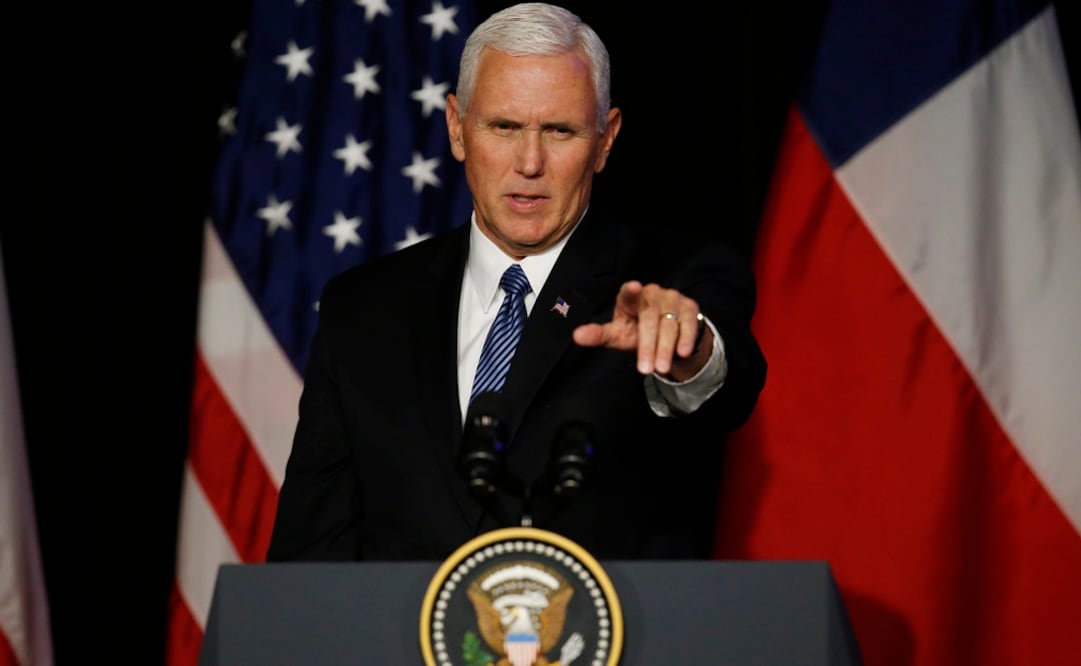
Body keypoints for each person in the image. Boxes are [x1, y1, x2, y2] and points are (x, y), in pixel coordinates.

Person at [266, 2, 766, 562]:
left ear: (605, 140)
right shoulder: (360, 311)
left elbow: (727, 391)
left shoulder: (676, 278)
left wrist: (688, 350)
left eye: (560, 131)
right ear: (457, 128)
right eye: (504, 127)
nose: (530, 162)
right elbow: (308, 557)